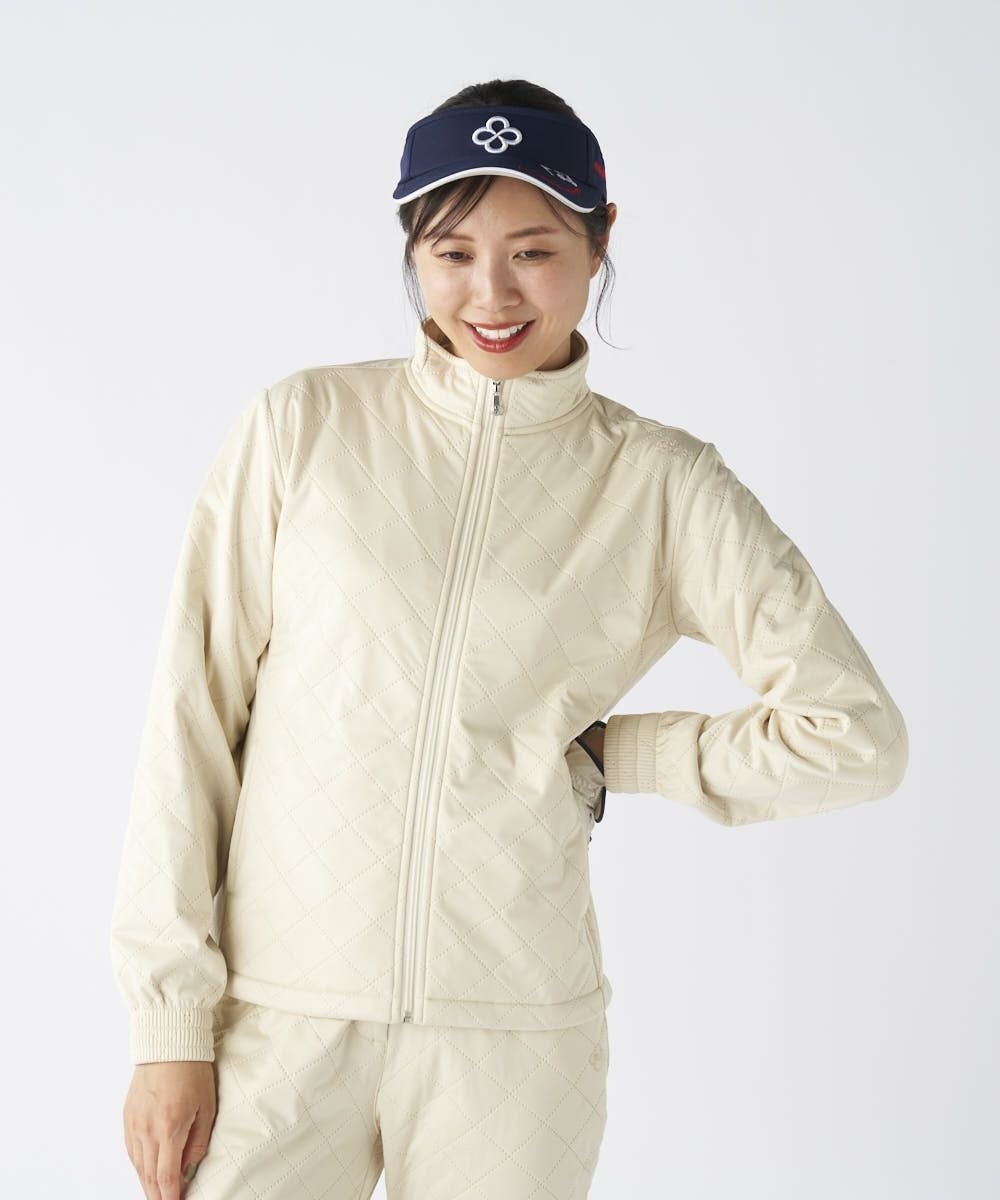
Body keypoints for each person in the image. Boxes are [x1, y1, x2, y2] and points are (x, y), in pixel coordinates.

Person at [111, 78, 908, 1200]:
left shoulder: (661, 485)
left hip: (516, 1043)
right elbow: (189, 721)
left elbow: (855, 734)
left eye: (533, 252)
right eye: (451, 253)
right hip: (276, 1021)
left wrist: (621, 754)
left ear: (599, 241)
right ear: (412, 252)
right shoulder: (304, 428)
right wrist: (169, 1027)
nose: (490, 293)